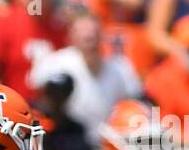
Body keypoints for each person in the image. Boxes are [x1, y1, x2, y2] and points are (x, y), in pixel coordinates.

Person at [30, 13, 141, 141]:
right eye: (85, 36)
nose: (90, 39)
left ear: (102, 36)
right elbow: (38, 99)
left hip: (110, 142)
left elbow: (137, 102)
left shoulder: (120, 68)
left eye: (94, 34)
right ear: (71, 37)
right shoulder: (56, 64)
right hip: (68, 140)